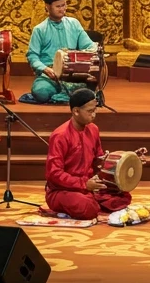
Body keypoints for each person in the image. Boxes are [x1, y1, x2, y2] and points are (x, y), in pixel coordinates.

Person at [44, 88, 138, 220]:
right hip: (61, 190)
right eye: (90, 111)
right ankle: (89, 202)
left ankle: (91, 200)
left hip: (89, 187)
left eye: (95, 110)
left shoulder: (93, 129)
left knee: (124, 197)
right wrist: (84, 184)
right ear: (76, 111)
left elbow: (98, 161)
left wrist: (128, 159)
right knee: (87, 207)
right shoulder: (60, 135)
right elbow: (54, 174)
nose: (94, 115)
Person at [25, 0, 96, 105]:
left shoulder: (74, 24)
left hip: (72, 74)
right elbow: (32, 56)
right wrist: (45, 69)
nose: (62, 9)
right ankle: (67, 94)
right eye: (58, 6)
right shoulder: (39, 29)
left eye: (64, 5)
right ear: (48, 7)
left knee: (91, 85)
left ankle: (63, 94)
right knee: (40, 92)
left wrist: (95, 49)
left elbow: (88, 45)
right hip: (50, 75)